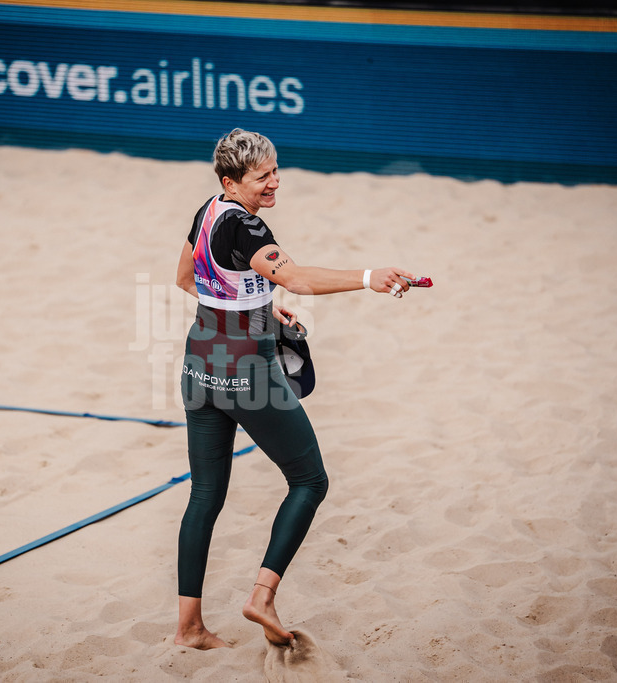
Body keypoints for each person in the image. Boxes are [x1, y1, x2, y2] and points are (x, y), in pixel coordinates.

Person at [173, 129, 415, 650]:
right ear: (231, 182)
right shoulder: (249, 227)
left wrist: (257, 301)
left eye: (276, 170)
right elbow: (299, 279)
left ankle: (188, 629)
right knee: (310, 481)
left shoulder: (207, 210)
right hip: (247, 372)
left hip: (199, 364)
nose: (275, 182)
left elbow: (187, 278)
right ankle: (262, 596)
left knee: (204, 496)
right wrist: (369, 276)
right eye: (263, 177)